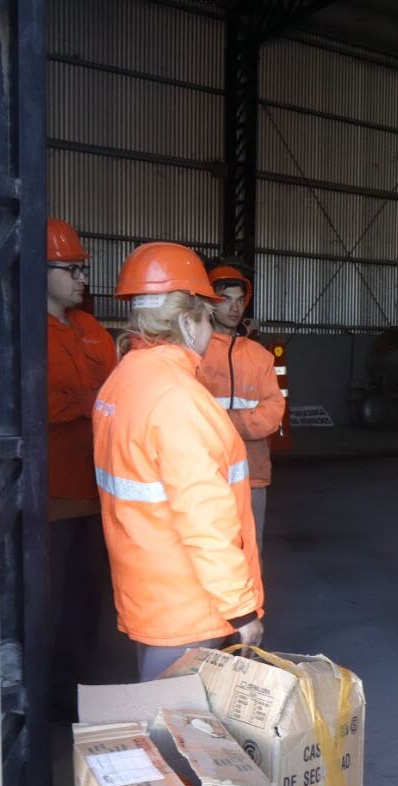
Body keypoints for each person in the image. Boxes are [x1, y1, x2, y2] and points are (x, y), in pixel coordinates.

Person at [92, 242, 265, 681]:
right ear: (188, 323)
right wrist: (241, 608)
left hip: (147, 584)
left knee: (159, 706)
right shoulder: (179, 400)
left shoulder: (123, 380)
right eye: (208, 317)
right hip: (185, 598)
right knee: (175, 730)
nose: (211, 329)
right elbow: (204, 519)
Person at [44, 218, 116, 716]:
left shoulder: (92, 330)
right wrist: (90, 400)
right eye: (70, 269)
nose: (81, 278)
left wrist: (83, 400)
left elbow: (115, 392)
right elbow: (38, 403)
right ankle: (48, 700)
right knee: (48, 607)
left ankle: (78, 695)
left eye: (81, 269)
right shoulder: (22, 331)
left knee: (87, 602)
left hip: (97, 495)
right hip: (51, 499)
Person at [196, 265, 285, 552]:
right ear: (210, 302)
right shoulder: (195, 352)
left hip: (252, 473)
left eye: (239, 300)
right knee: (210, 550)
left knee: (250, 549)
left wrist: (225, 422)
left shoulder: (260, 357)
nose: (234, 308)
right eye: (226, 299)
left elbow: (273, 411)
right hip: (206, 472)